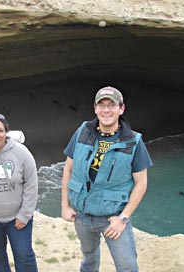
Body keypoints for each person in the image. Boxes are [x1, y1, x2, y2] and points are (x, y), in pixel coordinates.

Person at [61, 86, 153, 272]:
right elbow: (68, 169)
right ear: (95, 108)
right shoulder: (82, 132)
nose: (106, 110)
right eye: (101, 105)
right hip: (82, 215)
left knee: (127, 266)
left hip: (112, 217)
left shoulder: (133, 142)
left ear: (121, 108)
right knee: (89, 259)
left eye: (112, 105)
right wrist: (65, 205)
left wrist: (123, 218)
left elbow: (141, 183)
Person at [0, 112, 38, 272]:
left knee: (24, 255)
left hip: (17, 218)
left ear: (6, 132)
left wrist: (25, 214)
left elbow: (31, 182)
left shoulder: (20, 152)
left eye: (0, 130)